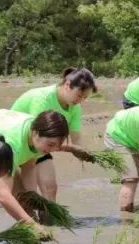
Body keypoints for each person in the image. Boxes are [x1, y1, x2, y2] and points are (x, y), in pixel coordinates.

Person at [0, 109, 71, 226]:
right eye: (50, 145)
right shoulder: (13, 144)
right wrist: (33, 225)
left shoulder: (37, 134)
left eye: (56, 146)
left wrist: (33, 197)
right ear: (35, 133)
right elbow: (3, 195)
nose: (52, 150)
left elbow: (29, 165)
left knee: (25, 203)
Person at [11, 68, 97, 201]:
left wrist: (83, 152)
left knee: (50, 188)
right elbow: (38, 137)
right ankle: (30, 220)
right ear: (68, 85)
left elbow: (75, 138)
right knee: (26, 195)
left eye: (85, 98)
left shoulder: (75, 108)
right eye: (79, 95)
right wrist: (73, 149)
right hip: (19, 144)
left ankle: (49, 221)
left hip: (39, 147)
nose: (80, 100)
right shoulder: (43, 99)